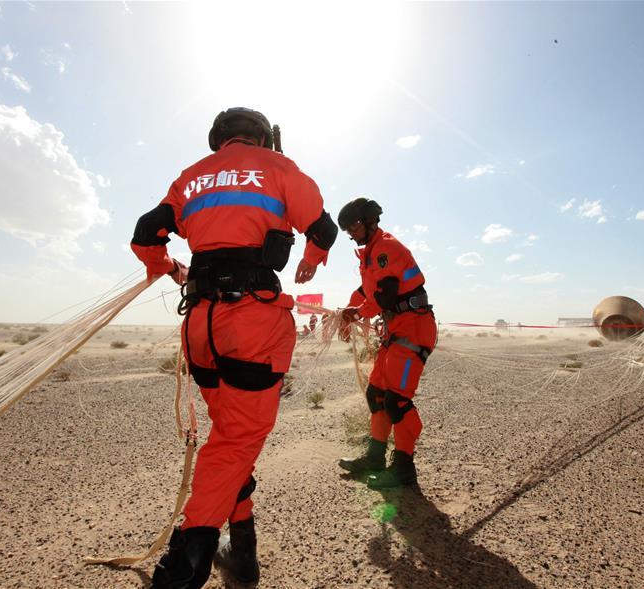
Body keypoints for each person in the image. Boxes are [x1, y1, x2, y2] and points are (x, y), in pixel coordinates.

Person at [130, 107, 337, 589]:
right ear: (263, 138)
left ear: (219, 140)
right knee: (237, 441)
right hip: (252, 320)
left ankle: (242, 557)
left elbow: (145, 232)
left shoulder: (191, 177)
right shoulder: (280, 168)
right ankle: (187, 557)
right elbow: (322, 229)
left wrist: (167, 266)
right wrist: (311, 260)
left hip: (200, 324)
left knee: (228, 435)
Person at [336, 198, 437, 489]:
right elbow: (364, 290)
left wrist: (355, 314)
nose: (351, 233)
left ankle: (404, 467)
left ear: (370, 221)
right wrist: (347, 311)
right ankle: (375, 458)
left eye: (353, 226)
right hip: (396, 329)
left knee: (397, 400)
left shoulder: (386, 249)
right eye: (347, 229)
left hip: (414, 328)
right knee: (376, 394)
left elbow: (385, 298)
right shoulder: (370, 254)